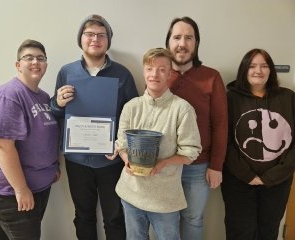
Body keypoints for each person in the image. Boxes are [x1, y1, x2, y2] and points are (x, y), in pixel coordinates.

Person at [50, 14, 138, 240]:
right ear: (80, 39)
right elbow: (55, 111)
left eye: (101, 35)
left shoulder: (122, 74)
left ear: (108, 40)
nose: (95, 39)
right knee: (83, 216)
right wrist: (58, 102)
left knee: (115, 217)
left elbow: (134, 117)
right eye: (89, 34)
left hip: (111, 160)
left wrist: (122, 146)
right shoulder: (66, 72)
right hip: (77, 160)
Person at [0, 39, 60, 240]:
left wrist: (52, 167)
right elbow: (1, 147)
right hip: (8, 192)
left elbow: (45, 138)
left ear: (46, 65)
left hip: (37, 186)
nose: (35, 62)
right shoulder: (8, 95)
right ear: (17, 65)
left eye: (40, 58)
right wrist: (20, 189)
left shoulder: (43, 97)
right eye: (28, 57)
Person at [114, 48, 202, 240]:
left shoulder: (182, 109)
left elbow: (191, 152)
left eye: (162, 69)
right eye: (150, 69)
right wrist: (126, 159)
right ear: (144, 72)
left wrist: (163, 163)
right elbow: (121, 144)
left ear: (170, 74)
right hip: (131, 193)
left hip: (165, 198)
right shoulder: (131, 106)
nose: (155, 74)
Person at [221, 48, 295, 240]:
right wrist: (247, 175)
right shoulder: (230, 99)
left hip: (277, 182)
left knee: (269, 231)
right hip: (238, 181)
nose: (258, 71)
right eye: (252, 66)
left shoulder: (288, 98)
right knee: (240, 231)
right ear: (244, 70)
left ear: (271, 70)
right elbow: (223, 139)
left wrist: (272, 176)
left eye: (264, 66)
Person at [165, 16, 228, 239]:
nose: (182, 43)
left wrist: (216, 166)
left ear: (196, 43)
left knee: (193, 220)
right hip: (165, 166)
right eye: (177, 37)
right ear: (168, 42)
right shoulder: (158, 76)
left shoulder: (211, 77)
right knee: (166, 220)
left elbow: (220, 123)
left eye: (188, 38)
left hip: (198, 167)